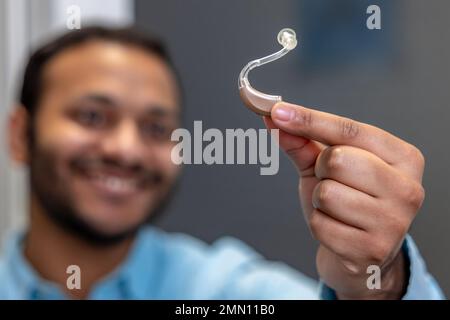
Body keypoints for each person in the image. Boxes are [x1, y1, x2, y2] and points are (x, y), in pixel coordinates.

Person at [0, 26, 444, 299]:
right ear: (21, 136)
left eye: (156, 128)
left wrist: (378, 284)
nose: (126, 150)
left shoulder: (225, 290)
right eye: (93, 116)